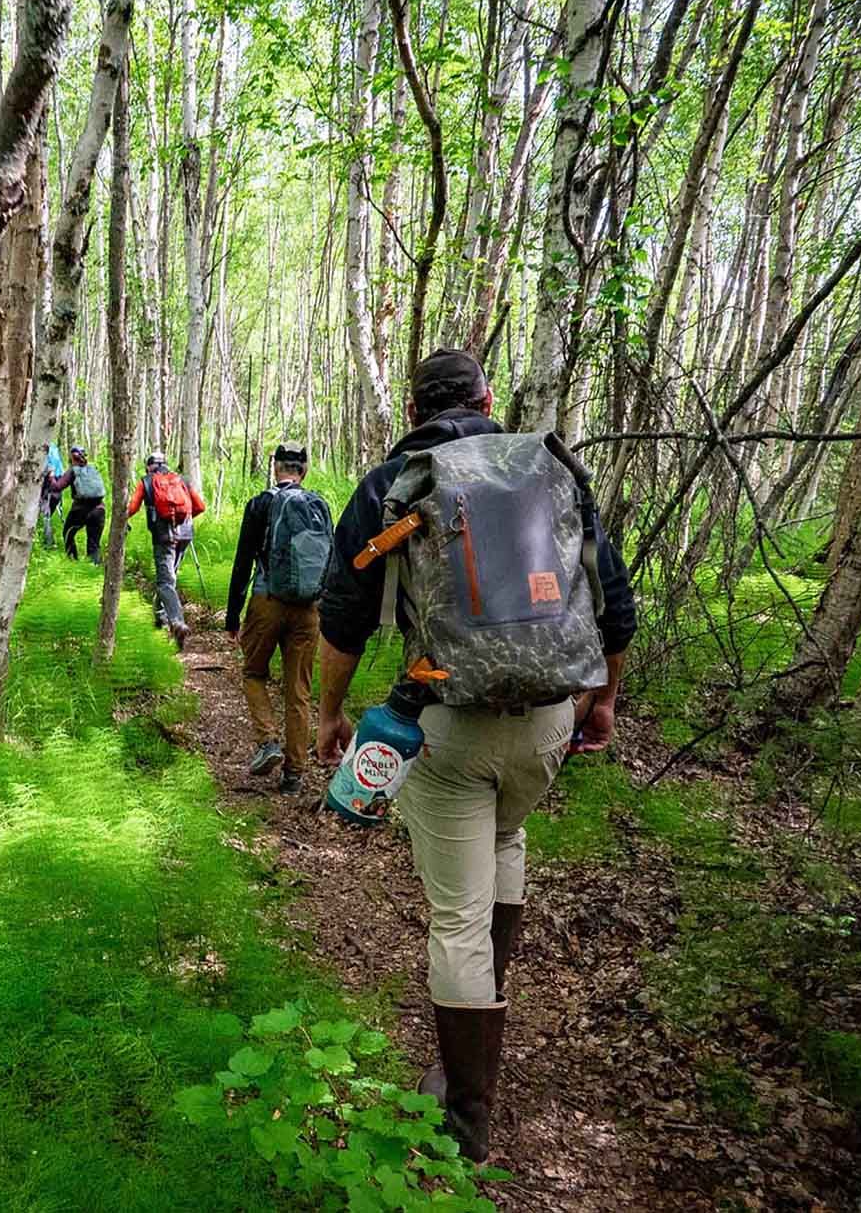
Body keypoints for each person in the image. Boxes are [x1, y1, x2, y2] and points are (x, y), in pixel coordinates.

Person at [314, 347, 637, 1163]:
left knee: (456, 912)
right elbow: (613, 600)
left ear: (414, 409)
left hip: (446, 721)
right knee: (506, 837)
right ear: (489, 397)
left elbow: (344, 616)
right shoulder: (551, 468)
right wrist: (603, 699)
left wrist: (328, 714)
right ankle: (482, 1023)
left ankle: (466, 1120)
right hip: (550, 721)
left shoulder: (396, 480)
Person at [225, 442, 332, 796]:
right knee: (298, 689)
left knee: (254, 672)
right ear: (304, 470)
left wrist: (232, 617)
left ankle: (268, 740)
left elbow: (243, 562)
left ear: (276, 468)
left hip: (266, 601)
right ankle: (294, 773)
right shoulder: (320, 506)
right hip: (309, 609)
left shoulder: (260, 503)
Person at [127, 451, 205, 650]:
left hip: (164, 537)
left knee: (165, 582)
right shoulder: (181, 480)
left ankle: (177, 622)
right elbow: (200, 506)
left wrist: (122, 519)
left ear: (148, 466)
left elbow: (133, 507)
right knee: (170, 577)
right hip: (185, 534)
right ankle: (160, 617)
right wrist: (183, 520)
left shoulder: (146, 482)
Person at [49, 446, 107, 563]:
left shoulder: (73, 471)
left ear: (71, 458)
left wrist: (51, 475)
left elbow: (57, 487)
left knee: (68, 533)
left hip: (80, 510)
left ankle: (72, 561)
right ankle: (94, 570)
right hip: (99, 509)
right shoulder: (93, 468)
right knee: (94, 543)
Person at [39, 442, 64, 548]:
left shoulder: (48, 448)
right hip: (57, 484)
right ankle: (47, 539)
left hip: (50, 483)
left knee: (46, 514)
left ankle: (49, 543)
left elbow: (51, 470)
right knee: (46, 513)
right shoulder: (53, 447)